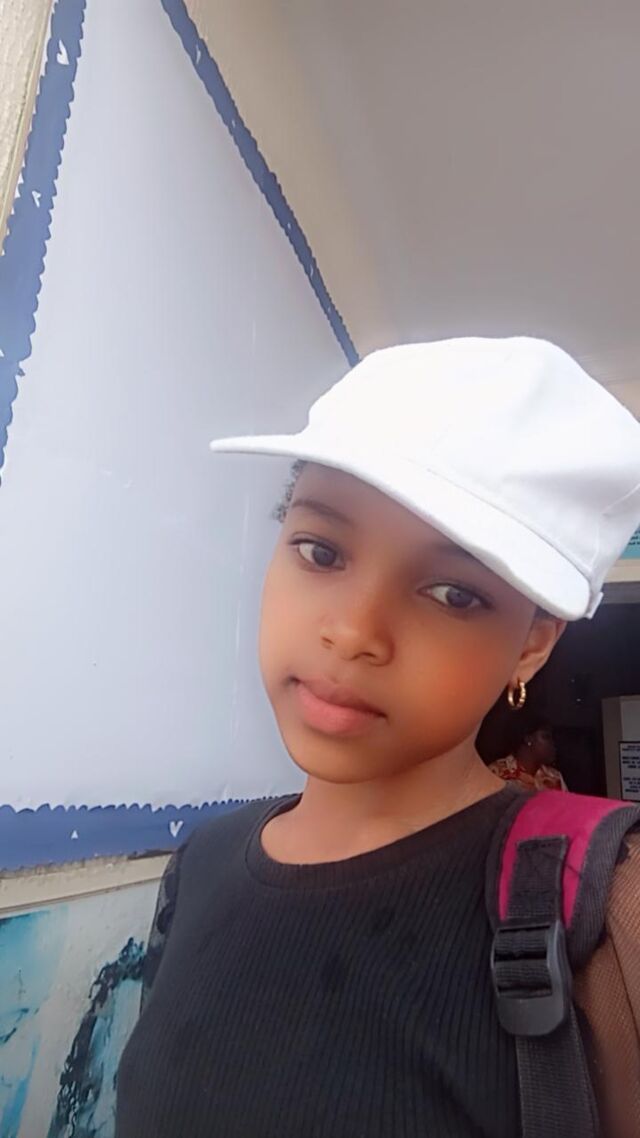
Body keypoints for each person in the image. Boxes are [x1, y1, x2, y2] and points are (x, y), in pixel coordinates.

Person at [115, 338, 640, 1138]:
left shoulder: (610, 910)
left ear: (532, 644)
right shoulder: (201, 865)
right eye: (321, 551)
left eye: (452, 593)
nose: (355, 631)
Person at [489, 711, 568, 791]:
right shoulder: (498, 773)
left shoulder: (554, 777)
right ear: (528, 739)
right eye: (546, 737)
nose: (552, 743)